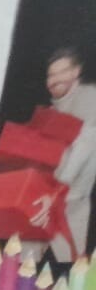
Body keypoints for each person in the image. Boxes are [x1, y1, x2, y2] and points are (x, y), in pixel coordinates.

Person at [40, 48, 96, 263]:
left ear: (76, 71)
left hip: (70, 200)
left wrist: (56, 189)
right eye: (51, 75)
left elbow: (85, 144)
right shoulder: (50, 112)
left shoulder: (90, 97)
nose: (55, 79)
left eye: (62, 72)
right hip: (44, 201)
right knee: (25, 265)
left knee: (71, 264)